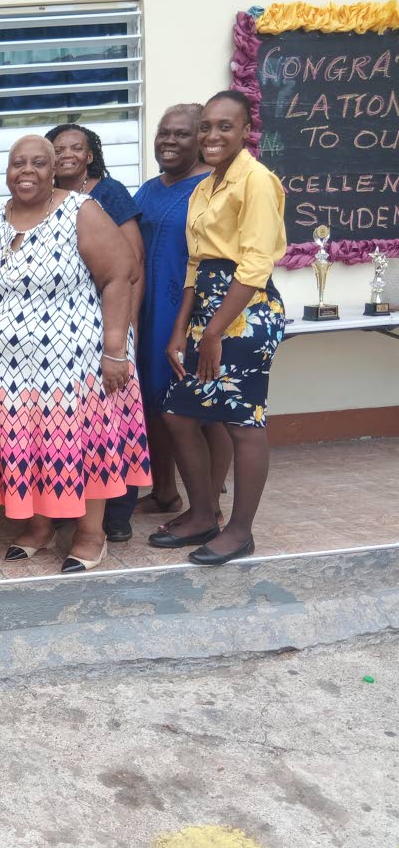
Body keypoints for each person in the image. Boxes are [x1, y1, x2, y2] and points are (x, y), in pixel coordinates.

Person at [0, 135, 150, 573]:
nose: (26, 171)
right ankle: (40, 526)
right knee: (28, 446)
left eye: (38, 163)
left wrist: (116, 350)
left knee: (84, 445)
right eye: (17, 164)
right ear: (6, 172)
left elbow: (120, 276)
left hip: (78, 366)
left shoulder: (79, 211)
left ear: (54, 171)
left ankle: (90, 534)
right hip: (7, 372)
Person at [150, 90, 287, 566]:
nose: (212, 135)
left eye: (224, 126)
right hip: (206, 309)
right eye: (206, 126)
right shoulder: (207, 185)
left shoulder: (257, 182)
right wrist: (179, 332)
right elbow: (195, 265)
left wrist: (213, 333)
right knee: (179, 413)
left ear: (247, 130)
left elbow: (253, 266)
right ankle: (203, 514)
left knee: (242, 422)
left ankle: (239, 531)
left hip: (244, 312)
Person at [46, 124, 150, 544]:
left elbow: (133, 264)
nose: (67, 154)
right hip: (66, 334)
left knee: (113, 421)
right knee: (75, 427)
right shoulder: (45, 199)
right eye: (59, 149)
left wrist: (125, 330)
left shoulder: (109, 194)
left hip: (109, 325)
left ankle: (118, 512)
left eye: (77, 148)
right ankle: (69, 508)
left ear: (91, 155)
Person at [130, 106, 232, 522]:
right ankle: (165, 491)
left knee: (205, 409)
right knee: (156, 403)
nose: (168, 141)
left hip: (194, 314)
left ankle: (208, 503)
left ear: (200, 142)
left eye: (181, 135)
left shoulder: (210, 190)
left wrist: (213, 326)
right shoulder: (149, 190)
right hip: (150, 313)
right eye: (163, 133)